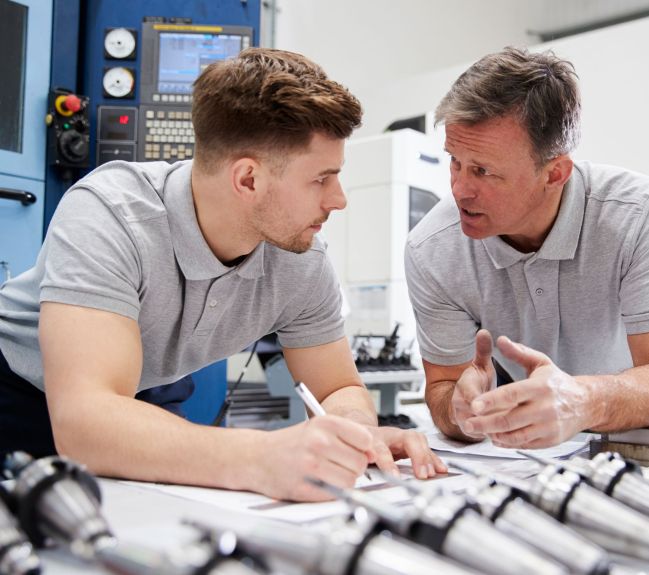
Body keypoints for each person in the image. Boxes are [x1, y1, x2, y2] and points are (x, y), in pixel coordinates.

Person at [0, 48, 445, 501]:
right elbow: (86, 424)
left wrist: (353, 434)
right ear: (248, 179)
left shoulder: (302, 259)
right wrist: (261, 457)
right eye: (321, 179)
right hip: (20, 396)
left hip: (139, 398)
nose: (339, 199)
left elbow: (338, 387)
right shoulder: (110, 214)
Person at [405, 46, 649, 449]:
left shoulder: (641, 213)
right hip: (521, 460)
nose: (458, 190)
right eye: (455, 161)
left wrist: (583, 400)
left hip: (638, 444)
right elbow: (442, 388)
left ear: (555, 172)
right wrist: (460, 410)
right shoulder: (431, 249)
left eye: (483, 171)